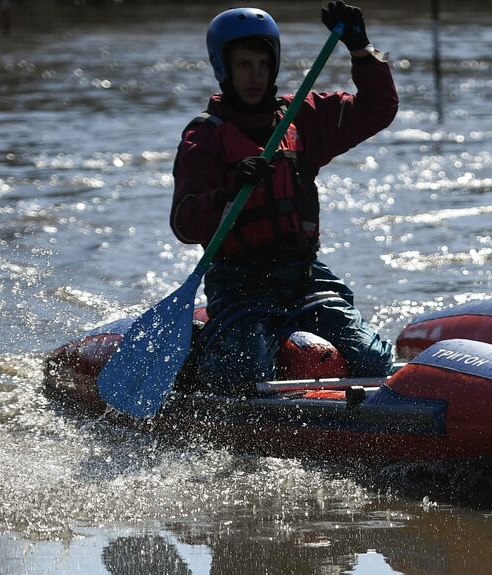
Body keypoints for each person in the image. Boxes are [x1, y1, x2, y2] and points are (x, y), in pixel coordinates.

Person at [170, 3, 397, 391]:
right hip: (240, 281)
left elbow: (378, 109)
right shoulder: (205, 135)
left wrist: (360, 50)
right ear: (223, 68)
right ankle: (199, 352)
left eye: (262, 64)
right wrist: (228, 192)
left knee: (372, 358)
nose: (255, 76)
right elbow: (184, 223)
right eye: (243, 65)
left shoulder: (302, 115)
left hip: (303, 277)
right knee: (249, 371)